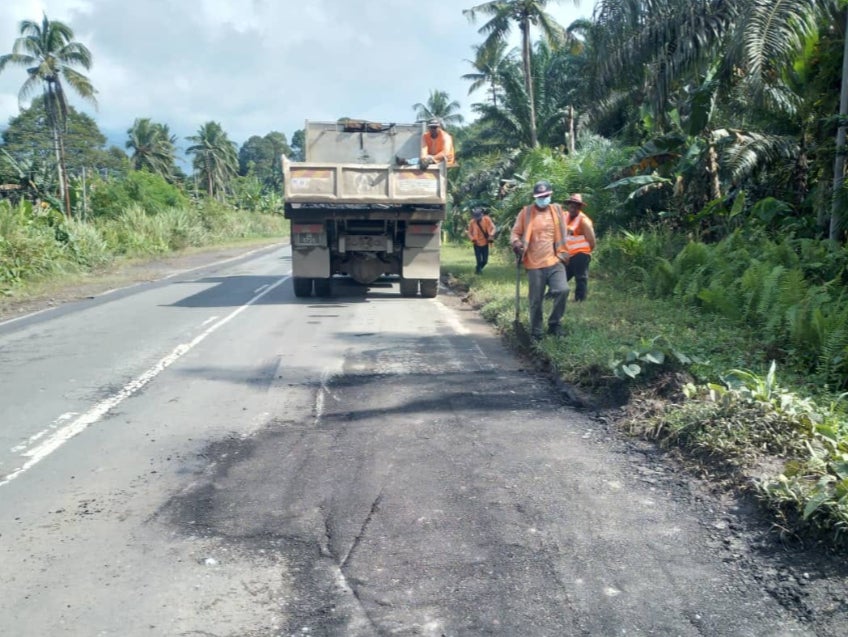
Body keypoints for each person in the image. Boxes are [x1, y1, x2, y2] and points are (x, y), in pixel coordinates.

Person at [510, 180, 570, 341]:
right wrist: (516, 243)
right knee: (536, 300)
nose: (543, 199)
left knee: (563, 290)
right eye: (540, 196)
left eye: (545, 196)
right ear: (535, 197)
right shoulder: (526, 213)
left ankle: (554, 324)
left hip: (555, 260)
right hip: (534, 264)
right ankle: (536, 331)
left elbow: (566, 229)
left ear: (550, 195)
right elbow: (515, 233)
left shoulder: (557, 211)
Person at [563, 193, 596, 301]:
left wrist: (585, 254)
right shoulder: (565, 217)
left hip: (581, 253)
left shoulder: (584, 221)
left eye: (575, 206)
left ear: (579, 207)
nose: (572, 208)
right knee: (561, 277)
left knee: (581, 277)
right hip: (568, 254)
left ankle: (580, 299)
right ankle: (552, 295)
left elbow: (591, 240)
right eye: (571, 206)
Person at [466, 207, 496, 274]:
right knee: (479, 260)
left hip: (485, 243)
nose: (477, 219)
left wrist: (491, 234)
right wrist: (472, 238)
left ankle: (478, 269)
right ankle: (479, 272)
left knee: (485, 261)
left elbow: (493, 228)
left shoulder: (487, 219)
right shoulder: (472, 222)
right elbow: (469, 232)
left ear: (482, 215)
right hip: (476, 243)